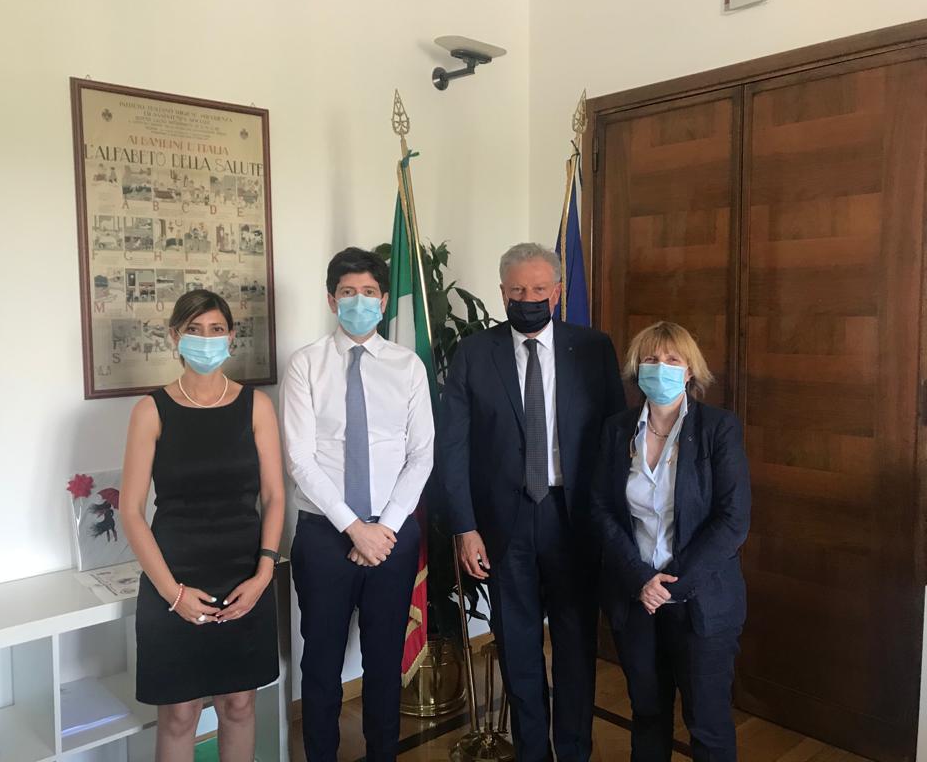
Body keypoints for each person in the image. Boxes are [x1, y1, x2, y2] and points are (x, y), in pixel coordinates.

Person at [439, 242, 626, 761]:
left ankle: (574, 751)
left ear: (558, 292)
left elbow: (615, 439)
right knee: (518, 649)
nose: (528, 299)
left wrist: (614, 524)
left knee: (575, 647)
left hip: (575, 519)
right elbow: (452, 447)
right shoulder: (474, 353)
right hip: (504, 525)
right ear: (502, 292)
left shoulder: (593, 348)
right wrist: (465, 527)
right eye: (518, 290)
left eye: (539, 289)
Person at [281, 247, 434, 762]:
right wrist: (354, 529)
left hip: (392, 533)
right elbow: (300, 458)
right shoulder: (306, 364)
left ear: (384, 301)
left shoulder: (407, 366)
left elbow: (422, 454)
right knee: (321, 665)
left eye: (369, 292)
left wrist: (382, 528)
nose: (359, 301)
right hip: (325, 534)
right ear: (331, 300)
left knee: (384, 662)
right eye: (348, 292)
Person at [120, 289, 284, 762]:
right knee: (179, 714)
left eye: (216, 329)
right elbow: (131, 510)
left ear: (231, 337)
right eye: (194, 329)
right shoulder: (150, 411)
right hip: (173, 577)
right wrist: (172, 593)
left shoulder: (256, 406)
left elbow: (274, 496)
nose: (206, 339)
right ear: (175, 337)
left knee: (239, 705)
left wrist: (264, 574)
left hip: (245, 576)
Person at [591, 321, 751, 762]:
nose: (660, 367)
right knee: (647, 715)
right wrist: (642, 580)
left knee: (708, 723)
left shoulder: (719, 429)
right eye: (650, 359)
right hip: (636, 598)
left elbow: (733, 520)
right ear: (636, 368)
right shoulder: (617, 430)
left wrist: (671, 585)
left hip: (702, 601)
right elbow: (601, 509)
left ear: (689, 370)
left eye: (672, 359)